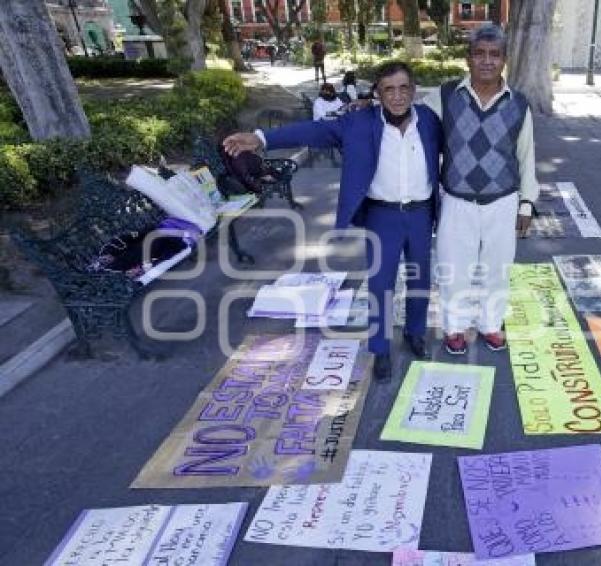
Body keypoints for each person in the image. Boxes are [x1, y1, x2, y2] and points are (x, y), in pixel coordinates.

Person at [223, 61, 442, 382]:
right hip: (383, 215)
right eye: (388, 90)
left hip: (422, 213)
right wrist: (260, 138)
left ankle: (415, 333)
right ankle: (380, 349)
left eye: (403, 88)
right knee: (380, 285)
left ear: (413, 89)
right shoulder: (358, 122)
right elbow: (312, 131)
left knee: (421, 280)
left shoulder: (430, 121)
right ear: (377, 94)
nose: (397, 96)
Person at [423, 23, 539, 355]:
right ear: (468, 58)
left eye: (494, 54)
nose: (487, 61)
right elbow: (411, 120)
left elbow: (527, 155)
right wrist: (370, 109)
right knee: (452, 269)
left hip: (502, 201)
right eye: (479, 54)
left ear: (504, 60)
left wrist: (527, 203)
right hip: (457, 202)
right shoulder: (446, 95)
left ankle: (491, 324)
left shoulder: (519, 103)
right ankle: (455, 327)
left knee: (497, 269)